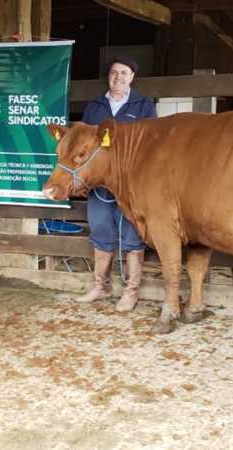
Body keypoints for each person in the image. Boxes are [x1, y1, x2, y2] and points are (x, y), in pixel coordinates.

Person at [74, 56, 156, 312]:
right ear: (108, 76)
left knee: (132, 235)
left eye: (124, 73)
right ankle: (101, 286)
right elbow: (83, 143)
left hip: (130, 185)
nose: (118, 77)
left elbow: (151, 144)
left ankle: (131, 292)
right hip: (99, 184)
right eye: (114, 72)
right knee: (100, 230)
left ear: (132, 77)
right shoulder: (95, 106)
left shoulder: (143, 105)